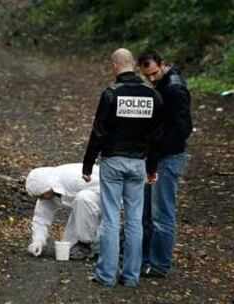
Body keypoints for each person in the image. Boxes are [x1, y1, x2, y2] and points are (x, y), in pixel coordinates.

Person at [82, 48, 162, 287]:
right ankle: (131, 276)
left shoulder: (111, 94)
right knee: (135, 220)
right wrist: (152, 168)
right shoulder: (152, 95)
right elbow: (156, 136)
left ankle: (106, 275)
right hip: (138, 164)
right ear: (133, 66)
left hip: (113, 162)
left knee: (110, 219)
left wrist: (88, 164)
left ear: (114, 66)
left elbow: (98, 132)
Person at [138, 51, 192, 277]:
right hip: (156, 157)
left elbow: (183, 129)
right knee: (148, 212)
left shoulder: (175, 89)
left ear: (163, 64)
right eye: (146, 75)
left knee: (162, 214)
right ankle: (148, 259)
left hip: (167, 158)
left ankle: (159, 264)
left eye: (153, 73)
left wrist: (158, 147)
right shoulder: (164, 84)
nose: (151, 79)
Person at [26, 163, 101, 260]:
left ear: (45, 188)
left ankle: (86, 244)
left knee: (83, 198)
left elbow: (105, 186)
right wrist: (38, 241)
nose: (40, 199)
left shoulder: (71, 178)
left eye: (40, 195)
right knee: (68, 247)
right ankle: (88, 243)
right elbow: (41, 217)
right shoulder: (49, 190)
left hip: (104, 196)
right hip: (84, 207)